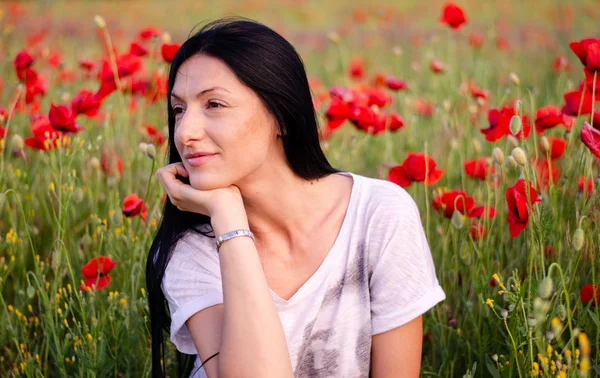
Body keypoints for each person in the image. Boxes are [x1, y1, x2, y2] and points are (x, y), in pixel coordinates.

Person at [146, 18, 446, 378]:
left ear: (281, 116)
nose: (185, 132)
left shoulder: (379, 216)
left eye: (214, 104)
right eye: (179, 109)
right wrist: (228, 218)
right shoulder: (192, 247)